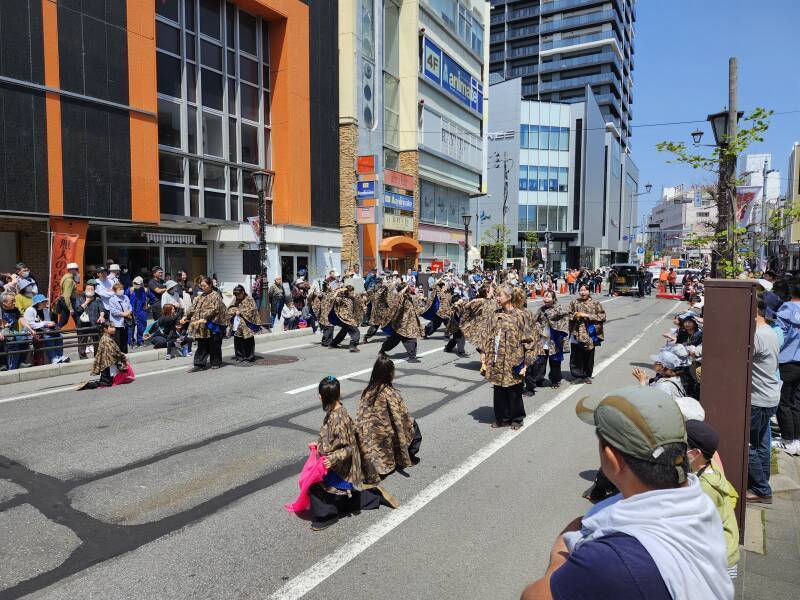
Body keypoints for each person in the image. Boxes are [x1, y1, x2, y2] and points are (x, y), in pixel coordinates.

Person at [520, 386, 734, 600]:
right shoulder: (698, 502)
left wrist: (559, 556)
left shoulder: (611, 559)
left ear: (612, 458)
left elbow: (531, 596)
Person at [307, 376, 386, 531]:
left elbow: (349, 447)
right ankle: (372, 496)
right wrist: (319, 445)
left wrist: (333, 458)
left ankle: (327, 516)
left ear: (321, 397)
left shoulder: (338, 418)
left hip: (340, 467)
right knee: (341, 500)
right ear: (339, 394)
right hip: (335, 463)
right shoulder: (335, 410)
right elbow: (334, 439)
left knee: (314, 485)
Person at [685, 420, 741, 580]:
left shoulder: (704, 487)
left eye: (681, 446)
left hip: (720, 559)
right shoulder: (711, 464)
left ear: (695, 454)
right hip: (722, 547)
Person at [356, 355, 419, 481]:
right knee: (413, 426)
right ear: (390, 373)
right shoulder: (390, 392)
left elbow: (360, 416)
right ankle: (406, 456)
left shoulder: (367, 390)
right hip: (384, 435)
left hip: (368, 436)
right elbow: (402, 417)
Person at [480, 284, 533, 430]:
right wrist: (483, 353)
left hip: (514, 359)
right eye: (496, 295)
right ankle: (501, 417)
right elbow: (486, 334)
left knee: (514, 389)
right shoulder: (495, 314)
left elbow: (529, 339)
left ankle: (517, 418)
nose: (497, 298)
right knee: (498, 389)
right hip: (497, 359)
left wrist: (527, 363)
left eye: (500, 295)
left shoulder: (520, 315)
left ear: (509, 297)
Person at [747, 300, 783, 501]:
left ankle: (761, 488)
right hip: (770, 396)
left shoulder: (758, 336)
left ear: (755, 313)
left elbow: (738, 358)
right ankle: (762, 482)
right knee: (760, 443)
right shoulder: (770, 331)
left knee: (746, 445)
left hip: (758, 399)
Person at [182, 276, 228, 371]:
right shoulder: (200, 296)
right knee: (202, 344)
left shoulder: (215, 295)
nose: (203, 287)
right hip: (201, 325)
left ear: (210, 285)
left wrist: (203, 318)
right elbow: (192, 307)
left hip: (212, 324)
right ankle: (199, 364)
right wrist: (186, 316)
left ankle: (216, 362)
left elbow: (214, 310)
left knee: (214, 344)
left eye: (205, 285)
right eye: (201, 286)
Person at [776, 281, 800, 455]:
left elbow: (782, 334)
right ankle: (797, 439)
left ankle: (788, 439)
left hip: (788, 360)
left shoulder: (787, 308)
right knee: (796, 401)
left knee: (783, 402)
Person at [529, 290, 570, 391]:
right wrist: (539, 330)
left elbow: (565, 320)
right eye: (545, 297)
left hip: (554, 340)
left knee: (555, 361)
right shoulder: (540, 310)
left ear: (554, 299)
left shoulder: (559, 309)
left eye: (548, 297)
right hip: (542, 339)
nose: (546, 299)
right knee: (540, 361)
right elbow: (534, 322)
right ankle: (539, 379)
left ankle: (555, 380)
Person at [568, 285, 606, 384]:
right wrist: (575, 315)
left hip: (590, 332)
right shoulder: (574, 302)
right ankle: (578, 375)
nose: (583, 292)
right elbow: (568, 314)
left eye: (585, 290)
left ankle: (587, 375)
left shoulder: (595, 303)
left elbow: (602, 316)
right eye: (581, 290)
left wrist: (587, 316)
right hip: (577, 332)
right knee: (576, 355)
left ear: (589, 291)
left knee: (588, 355)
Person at [379, 283, 422, 363]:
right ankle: (383, 350)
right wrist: (405, 288)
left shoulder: (408, 297)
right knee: (393, 341)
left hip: (409, 324)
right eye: (407, 288)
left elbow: (415, 306)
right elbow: (396, 300)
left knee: (411, 338)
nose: (409, 288)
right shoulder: (398, 297)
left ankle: (412, 357)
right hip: (400, 324)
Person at [81, 321, 129, 389]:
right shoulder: (107, 339)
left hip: (106, 364)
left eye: (114, 327)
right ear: (105, 329)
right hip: (107, 364)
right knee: (106, 383)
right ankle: (89, 385)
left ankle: (90, 384)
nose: (114, 329)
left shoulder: (107, 337)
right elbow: (114, 352)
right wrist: (123, 358)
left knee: (109, 381)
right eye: (111, 327)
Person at [24, 294, 68, 365]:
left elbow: (47, 321)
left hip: (45, 330)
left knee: (59, 335)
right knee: (48, 337)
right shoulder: (30, 310)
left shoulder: (45, 310)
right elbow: (31, 324)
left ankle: (60, 355)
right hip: (33, 332)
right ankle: (53, 357)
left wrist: (51, 324)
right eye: (44, 301)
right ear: (39, 303)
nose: (46, 303)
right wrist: (46, 323)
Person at [227, 284, 262, 362]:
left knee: (248, 341)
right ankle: (239, 357)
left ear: (243, 292)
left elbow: (253, 310)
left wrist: (241, 312)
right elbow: (230, 308)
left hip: (247, 324)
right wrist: (234, 311)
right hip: (237, 324)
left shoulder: (249, 299)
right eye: (236, 294)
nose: (237, 296)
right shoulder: (235, 299)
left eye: (238, 294)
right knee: (238, 340)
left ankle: (249, 357)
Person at [0, 291, 33, 370]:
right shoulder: (0, 310)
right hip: (2, 333)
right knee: (6, 341)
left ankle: (21, 362)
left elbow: (21, 319)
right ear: (4, 303)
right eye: (12, 301)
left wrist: (30, 329)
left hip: (11, 332)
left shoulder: (15, 309)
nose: (15, 303)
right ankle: (3, 365)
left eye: (15, 300)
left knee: (24, 338)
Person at [74, 281, 106, 359]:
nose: (90, 290)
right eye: (88, 289)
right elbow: (78, 310)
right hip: (82, 324)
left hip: (95, 323)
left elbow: (102, 309)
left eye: (92, 289)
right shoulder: (79, 297)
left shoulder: (97, 298)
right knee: (82, 342)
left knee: (97, 341)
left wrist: (101, 316)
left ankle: (97, 357)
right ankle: (83, 357)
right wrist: (87, 301)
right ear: (85, 289)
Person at [328, 286, 362, 352]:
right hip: (345, 319)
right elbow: (331, 299)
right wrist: (338, 291)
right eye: (351, 291)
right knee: (355, 331)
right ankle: (353, 346)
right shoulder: (341, 298)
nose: (352, 292)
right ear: (347, 291)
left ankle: (333, 343)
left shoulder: (351, 298)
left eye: (353, 291)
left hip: (349, 318)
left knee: (344, 331)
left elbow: (359, 299)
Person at [126, 276, 153, 347]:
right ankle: (130, 342)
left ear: (141, 283)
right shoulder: (130, 290)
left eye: (137, 283)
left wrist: (149, 305)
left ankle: (140, 341)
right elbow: (124, 299)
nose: (136, 284)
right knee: (130, 328)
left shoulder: (146, 290)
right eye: (134, 283)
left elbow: (153, 298)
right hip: (131, 311)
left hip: (142, 311)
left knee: (142, 327)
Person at [108, 282, 133, 353]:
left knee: (125, 339)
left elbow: (130, 306)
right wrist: (124, 314)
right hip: (117, 322)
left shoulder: (126, 297)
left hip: (125, 322)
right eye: (119, 289)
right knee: (117, 340)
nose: (121, 290)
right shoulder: (112, 299)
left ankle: (125, 353)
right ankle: (117, 355)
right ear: (115, 291)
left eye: (122, 289)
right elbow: (113, 311)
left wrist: (129, 312)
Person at [56, 262, 80, 328]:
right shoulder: (69, 280)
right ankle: (81, 337)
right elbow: (67, 296)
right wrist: (71, 309)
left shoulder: (66, 277)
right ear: (71, 270)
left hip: (65, 301)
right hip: (69, 301)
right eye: (76, 269)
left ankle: (54, 332)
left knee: (63, 321)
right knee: (78, 321)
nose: (78, 271)